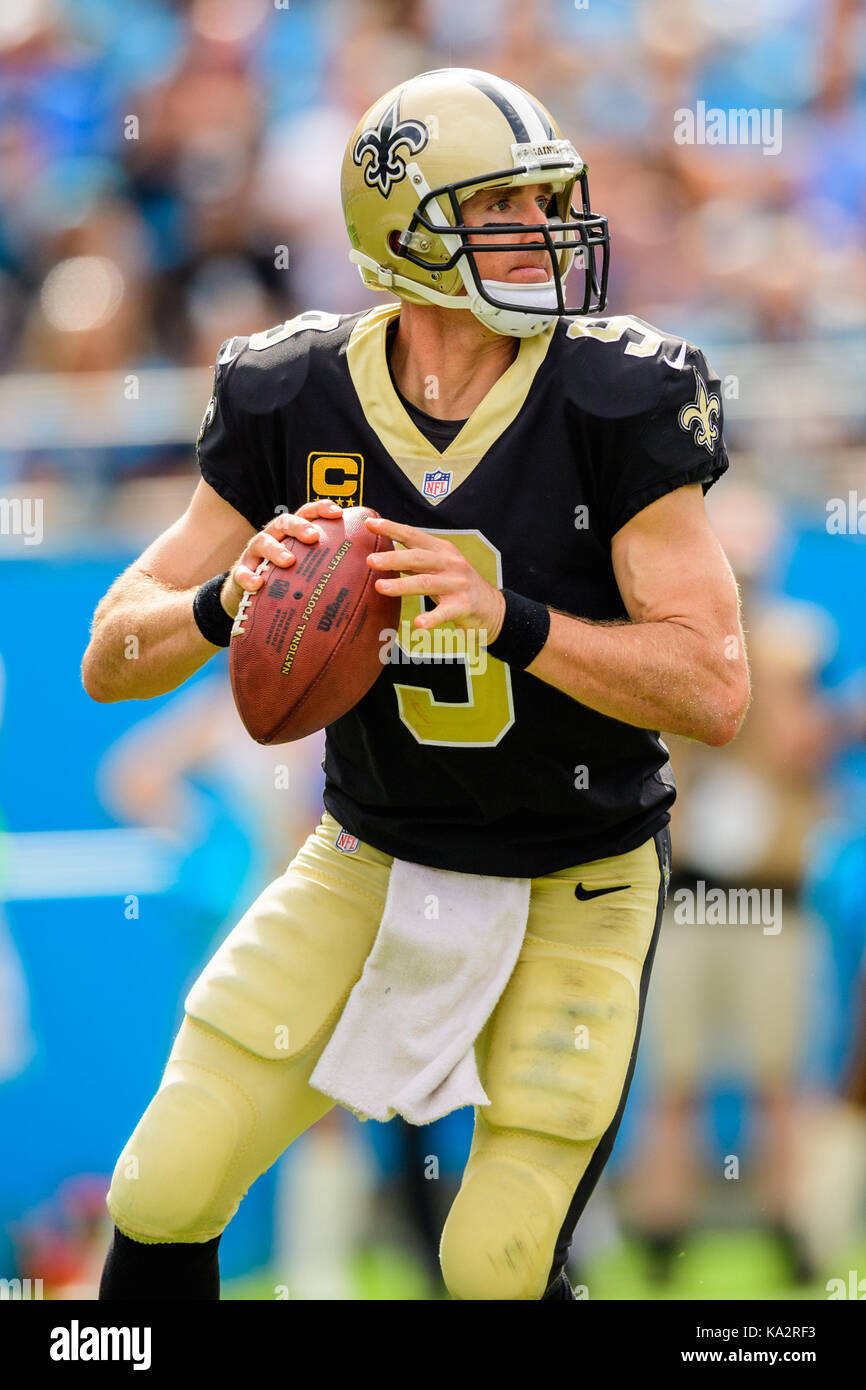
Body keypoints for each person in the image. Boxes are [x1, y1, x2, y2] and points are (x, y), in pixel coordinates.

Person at [81, 67, 749, 1301]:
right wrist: (225, 605)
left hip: (578, 874)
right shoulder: (291, 390)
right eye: (507, 210)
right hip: (372, 853)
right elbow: (111, 653)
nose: (549, 236)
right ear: (409, 232)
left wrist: (515, 622)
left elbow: (713, 686)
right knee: (164, 1184)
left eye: (552, 205)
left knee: (493, 1262)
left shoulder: (615, 396)